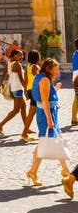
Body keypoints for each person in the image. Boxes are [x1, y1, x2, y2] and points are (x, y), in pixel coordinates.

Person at [26, 57, 71, 185]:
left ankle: (65, 170)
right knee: (46, 142)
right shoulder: (45, 80)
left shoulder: (42, 78)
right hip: (47, 114)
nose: (57, 72)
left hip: (49, 113)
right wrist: (50, 120)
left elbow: (46, 97)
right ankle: (34, 171)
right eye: (55, 70)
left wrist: (55, 89)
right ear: (48, 69)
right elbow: (45, 101)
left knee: (54, 140)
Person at [0, 49, 28, 137]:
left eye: (22, 55)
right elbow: (21, 80)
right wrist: (26, 90)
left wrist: (0, 85)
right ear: (14, 56)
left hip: (13, 88)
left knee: (23, 107)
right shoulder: (17, 64)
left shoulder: (9, 63)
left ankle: (26, 128)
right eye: (19, 55)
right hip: (18, 88)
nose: (21, 56)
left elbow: (3, 74)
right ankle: (0, 125)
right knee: (16, 110)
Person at [20, 49, 41, 140]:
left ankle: (25, 132)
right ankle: (24, 133)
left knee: (32, 113)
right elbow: (38, 78)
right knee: (32, 113)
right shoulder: (35, 67)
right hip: (35, 90)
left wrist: (25, 91)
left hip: (29, 90)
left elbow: (26, 80)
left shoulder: (28, 67)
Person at [71, 38, 78, 125]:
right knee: (76, 98)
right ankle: (73, 119)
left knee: (76, 98)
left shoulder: (75, 54)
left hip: (75, 76)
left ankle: (74, 118)